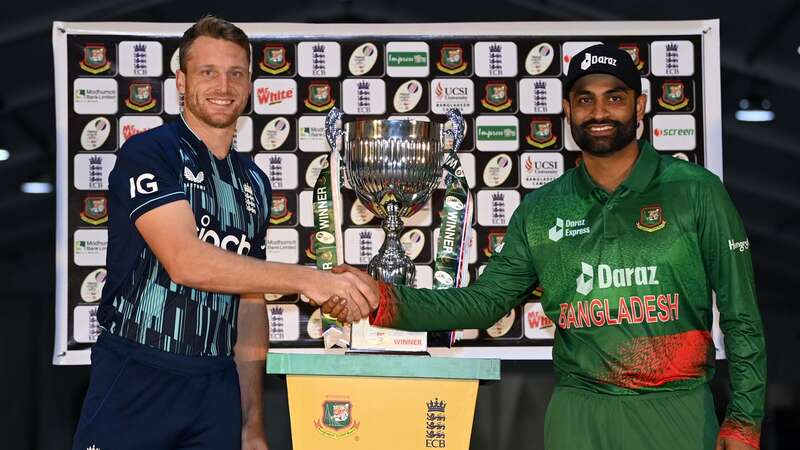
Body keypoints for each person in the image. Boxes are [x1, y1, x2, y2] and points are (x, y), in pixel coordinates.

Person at [325, 44, 766, 450]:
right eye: (584, 99)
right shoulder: (541, 209)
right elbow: (484, 302)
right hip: (578, 413)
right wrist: (379, 298)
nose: (599, 111)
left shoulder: (696, 192)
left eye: (614, 98)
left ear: (640, 107)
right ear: (567, 111)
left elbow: (742, 316)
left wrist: (744, 422)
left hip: (677, 410)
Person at [72, 16, 376, 450]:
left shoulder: (253, 180)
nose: (223, 85)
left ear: (250, 84)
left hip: (214, 386)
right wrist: (310, 278)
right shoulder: (149, 153)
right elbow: (185, 261)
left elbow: (249, 305)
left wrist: (251, 423)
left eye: (236, 73)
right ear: (181, 81)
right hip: (138, 374)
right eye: (207, 72)